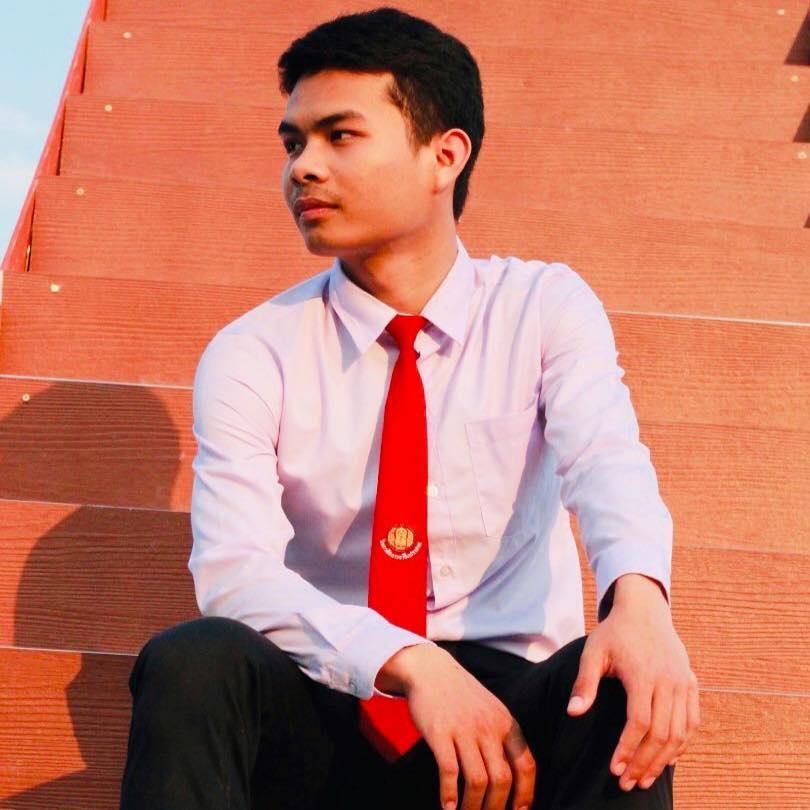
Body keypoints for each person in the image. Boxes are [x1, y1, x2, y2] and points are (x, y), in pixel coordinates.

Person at [119, 6, 699, 810]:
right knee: (192, 661)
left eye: (340, 136)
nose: (303, 168)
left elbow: (606, 460)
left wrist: (639, 601)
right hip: (337, 696)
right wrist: (411, 663)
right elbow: (234, 572)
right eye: (293, 143)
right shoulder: (254, 350)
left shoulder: (541, 306)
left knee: (620, 678)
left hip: (514, 719)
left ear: (444, 155)